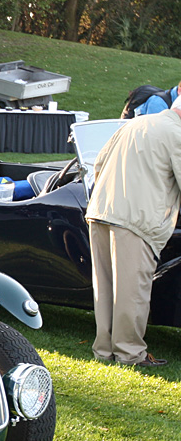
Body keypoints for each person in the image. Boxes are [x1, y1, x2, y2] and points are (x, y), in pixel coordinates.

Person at [86, 107, 181, 367]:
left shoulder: (134, 124)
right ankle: (130, 354)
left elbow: (98, 163)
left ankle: (104, 351)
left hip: (101, 210)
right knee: (132, 292)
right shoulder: (176, 133)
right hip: (137, 220)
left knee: (105, 288)